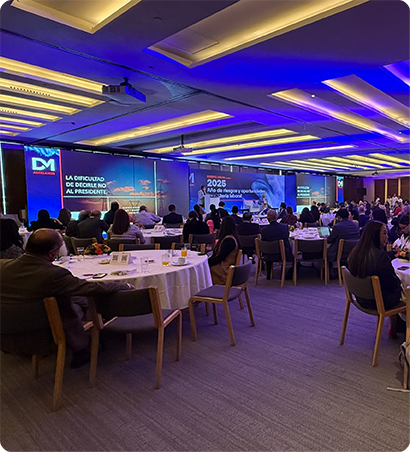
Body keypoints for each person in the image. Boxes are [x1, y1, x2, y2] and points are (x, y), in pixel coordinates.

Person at [0, 229, 132, 368]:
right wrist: (122, 285)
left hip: (6, 327)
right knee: (74, 302)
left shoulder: (2, 266)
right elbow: (90, 288)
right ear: (52, 253)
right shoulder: (54, 275)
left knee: (72, 298)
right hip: (42, 330)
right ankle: (82, 346)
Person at [348, 221, 402, 310]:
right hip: (379, 301)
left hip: (361, 298)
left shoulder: (355, 253)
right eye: (384, 233)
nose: (387, 237)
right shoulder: (380, 257)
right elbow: (392, 283)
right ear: (375, 235)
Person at [261, 210, 293, 279]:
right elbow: (287, 238)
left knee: (269, 248)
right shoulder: (285, 228)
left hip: (268, 255)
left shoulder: (264, 230)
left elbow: (263, 242)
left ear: (267, 218)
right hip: (282, 254)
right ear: (277, 217)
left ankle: (268, 273)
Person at [208, 216, 240, 285]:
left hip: (223, 270)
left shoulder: (228, 240)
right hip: (227, 267)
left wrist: (207, 262)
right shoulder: (233, 238)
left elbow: (220, 257)